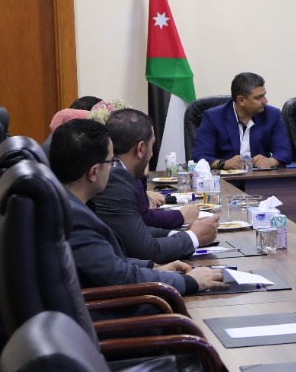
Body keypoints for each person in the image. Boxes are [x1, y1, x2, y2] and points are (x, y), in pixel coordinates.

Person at [49, 119, 224, 296]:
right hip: (113, 309)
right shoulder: (75, 220)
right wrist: (189, 281)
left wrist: (154, 268)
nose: (114, 169)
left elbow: (110, 262)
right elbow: (121, 277)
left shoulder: (70, 206)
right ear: (94, 172)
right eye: (111, 162)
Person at [91, 109, 217, 264]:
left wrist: (180, 234)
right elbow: (147, 252)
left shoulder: (117, 171)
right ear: (141, 148)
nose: (151, 154)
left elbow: (137, 229)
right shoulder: (116, 179)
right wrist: (194, 237)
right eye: (152, 145)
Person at [192, 72, 292, 168]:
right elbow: (200, 156)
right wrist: (224, 163)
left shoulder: (272, 115)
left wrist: (270, 161)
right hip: (227, 177)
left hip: (260, 177)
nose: (265, 101)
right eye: (258, 97)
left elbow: (285, 152)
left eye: (264, 95)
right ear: (241, 100)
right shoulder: (213, 117)